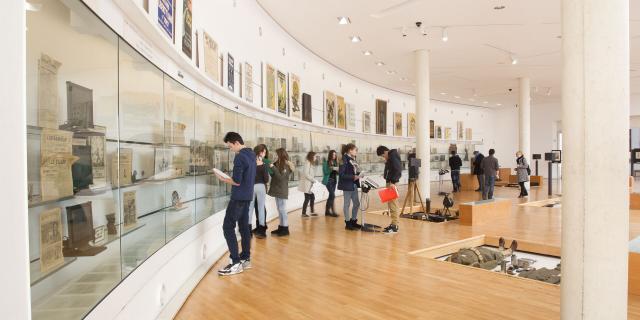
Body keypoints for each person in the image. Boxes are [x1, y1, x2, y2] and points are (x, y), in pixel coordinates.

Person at [216, 132, 256, 276]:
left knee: (227, 227)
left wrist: (223, 179)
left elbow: (237, 181)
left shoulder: (239, 157)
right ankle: (245, 258)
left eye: (230, 146)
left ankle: (235, 262)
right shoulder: (252, 154)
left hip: (238, 198)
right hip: (247, 197)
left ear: (236, 142)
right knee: (244, 227)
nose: (230, 149)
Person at [268, 148, 294, 237]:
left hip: (282, 190)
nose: (275, 156)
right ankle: (281, 227)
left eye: (276, 154)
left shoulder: (286, 165)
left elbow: (281, 178)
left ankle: (285, 228)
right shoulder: (277, 164)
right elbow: (274, 175)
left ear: (280, 155)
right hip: (276, 189)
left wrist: (273, 168)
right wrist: (270, 169)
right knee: (279, 209)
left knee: (282, 209)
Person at [376, 146, 402, 234]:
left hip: (392, 183)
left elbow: (398, 170)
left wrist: (393, 182)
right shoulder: (391, 156)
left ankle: (395, 226)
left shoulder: (393, 155)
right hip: (390, 182)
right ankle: (393, 224)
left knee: (393, 204)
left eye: (383, 156)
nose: (384, 158)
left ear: (385, 152)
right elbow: (391, 169)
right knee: (391, 204)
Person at [338, 143, 361, 230]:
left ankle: (353, 221)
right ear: (350, 150)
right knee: (347, 204)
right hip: (347, 185)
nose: (356, 152)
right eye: (355, 150)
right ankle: (347, 223)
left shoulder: (353, 159)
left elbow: (353, 171)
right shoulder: (343, 159)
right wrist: (353, 177)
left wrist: (359, 174)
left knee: (356, 203)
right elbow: (341, 174)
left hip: (354, 184)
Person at [248, 145, 269, 238]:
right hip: (261, 187)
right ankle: (261, 231)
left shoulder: (250, 163)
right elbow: (266, 179)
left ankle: (248, 231)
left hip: (251, 187)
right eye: (264, 152)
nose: (264, 154)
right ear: (260, 152)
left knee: (250, 208)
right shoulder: (263, 164)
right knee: (261, 209)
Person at [253, 144, 271, 230]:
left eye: (264, 152)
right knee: (257, 206)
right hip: (255, 187)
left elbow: (268, 176)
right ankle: (260, 225)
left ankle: (262, 225)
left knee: (260, 206)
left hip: (261, 186)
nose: (263, 154)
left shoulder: (266, 161)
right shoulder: (252, 161)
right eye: (262, 152)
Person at [298, 151, 318, 217]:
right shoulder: (307, 163)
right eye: (315, 156)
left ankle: (311, 212)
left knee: (311, 197)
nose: (316, 158)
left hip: (309, 184)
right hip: (307, 184)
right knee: (308, 198)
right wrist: (313, 180)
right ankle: (304, 213)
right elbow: (306, 174)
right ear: (311, 156)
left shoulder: (310, 163)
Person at [322, 150, 339, 217]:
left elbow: (337, 173)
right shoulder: (325, 163)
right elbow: (325, 172)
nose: (334, 156)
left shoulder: (335, 162)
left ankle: (327, 212)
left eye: (335, 154)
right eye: (333, 154)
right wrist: (331, 169)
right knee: (333, 195)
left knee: (331, 196)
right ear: (330, 155)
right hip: (328, 181)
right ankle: (333, 212)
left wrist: (337, 170)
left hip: (334, 181)